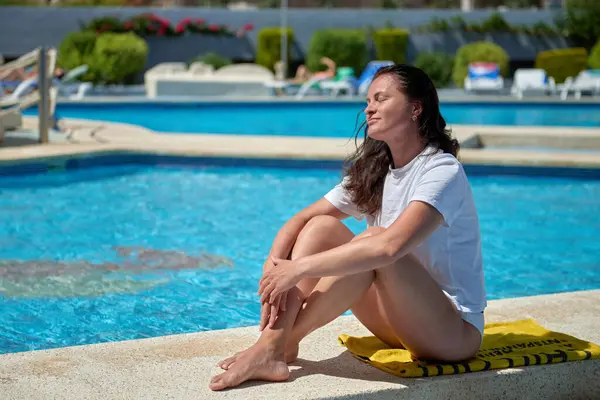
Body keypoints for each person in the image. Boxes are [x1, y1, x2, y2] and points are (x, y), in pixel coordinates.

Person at [209, 64, 487, 391]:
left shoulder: (442, 171)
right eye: (368, 100)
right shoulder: (378, 169)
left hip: (452, 332)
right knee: (320, 227)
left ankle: (274, 346)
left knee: (372, 242)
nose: (369, 108)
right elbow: (297, 222)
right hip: (395, 322)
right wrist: (273, 271)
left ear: (415, 108)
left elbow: (389, 248)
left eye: (381, 99)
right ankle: (275, 343)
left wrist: (297, 269)